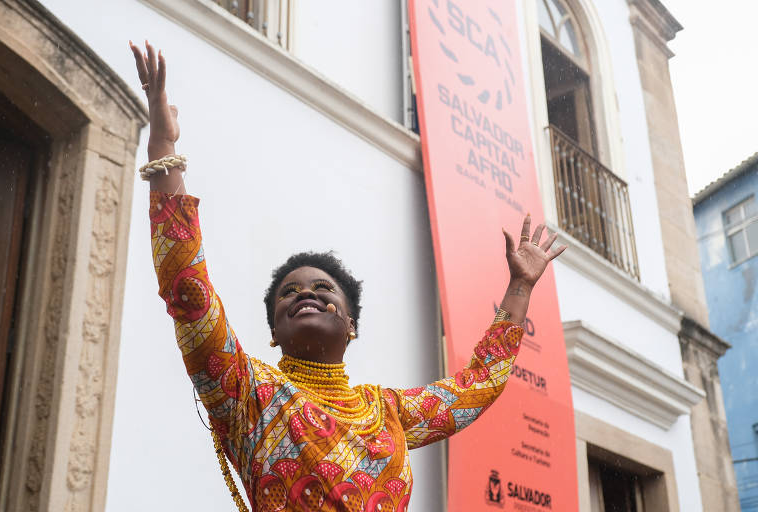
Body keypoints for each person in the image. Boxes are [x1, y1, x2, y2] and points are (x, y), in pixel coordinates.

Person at [129, 40, 566, 512]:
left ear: (352, 325)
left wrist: (520, 285)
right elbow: (188, 290)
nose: (305, 295)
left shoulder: (390, 413)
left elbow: (481, 384)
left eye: (323, 289)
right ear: (274, 333)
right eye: (288, 293)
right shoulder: (245, 393)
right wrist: (164, 147)